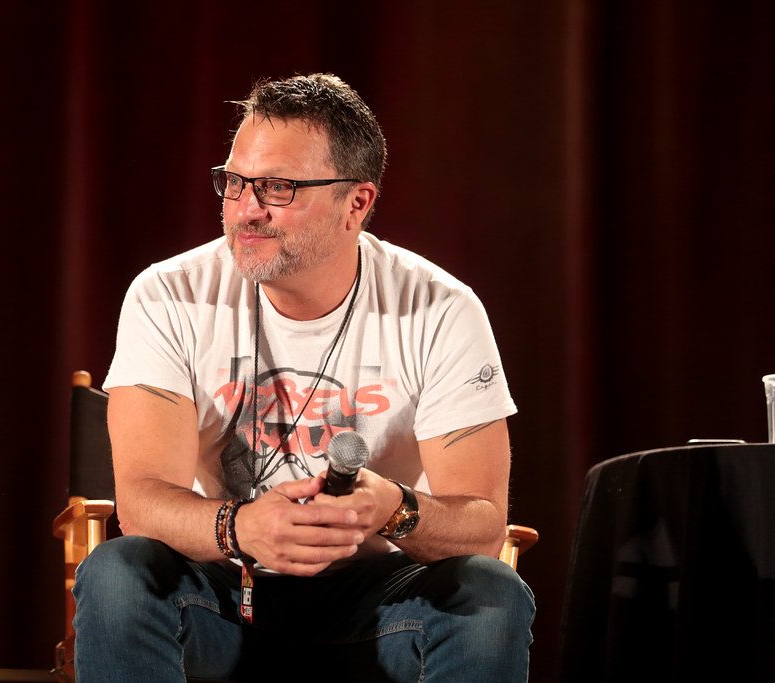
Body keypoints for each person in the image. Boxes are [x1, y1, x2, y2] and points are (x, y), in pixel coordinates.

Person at [72, 73, 535, 682]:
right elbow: (142, 502)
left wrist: (391, 509)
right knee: (117, 572)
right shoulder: (168, 296)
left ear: (357, 204)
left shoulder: (440, 309)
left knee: (491, 591)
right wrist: (241, 527)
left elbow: (482, 521)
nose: (245, 210)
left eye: (278, 188)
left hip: (377, 596)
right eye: (234, 182)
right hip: (222, 587)